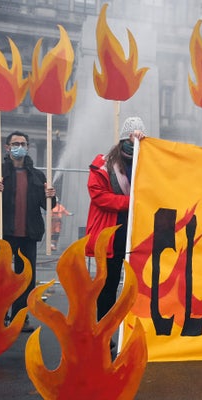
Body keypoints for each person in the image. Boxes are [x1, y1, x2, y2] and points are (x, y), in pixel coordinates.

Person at [85, 117, 146, 333]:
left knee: (139, 287)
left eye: (137, 136)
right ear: (122, 139)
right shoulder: (103, 164)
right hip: (111, 235)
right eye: (130, 136)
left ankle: (133, 331)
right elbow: (99, 196)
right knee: (107, 286)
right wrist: (131, 202)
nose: (133, 141)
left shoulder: (146, 160)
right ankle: (102, 331)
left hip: (138, 234)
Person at [0, 131, 56, 332]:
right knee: (2, 278)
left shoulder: (38, 175)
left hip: (29, 234)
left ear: (28, 146)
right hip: (5, 234)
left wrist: (50, 196)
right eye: (15, 143)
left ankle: (20, 318)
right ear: (7, 147)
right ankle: (0, 316)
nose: (19, 146)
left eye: (22, 143)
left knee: (26, 279)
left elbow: (47, 206)